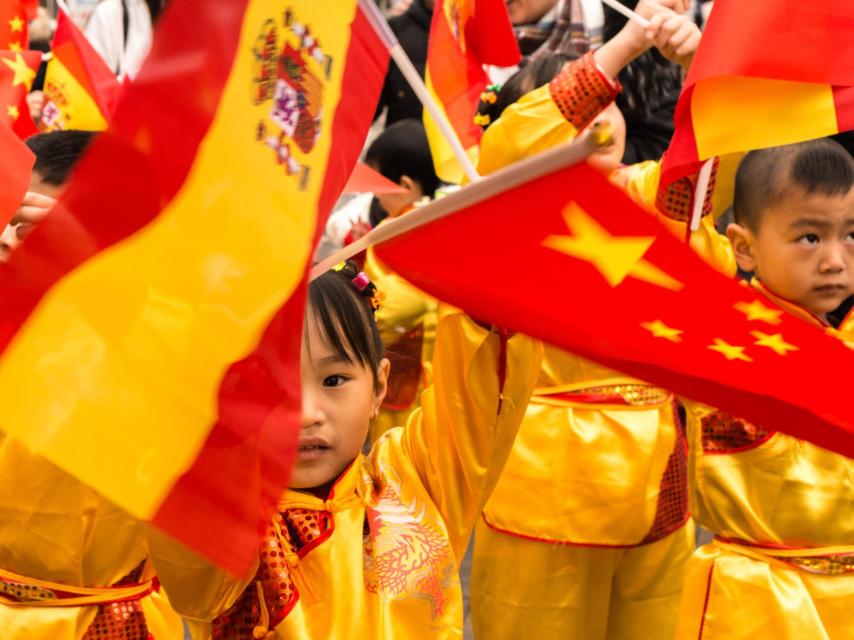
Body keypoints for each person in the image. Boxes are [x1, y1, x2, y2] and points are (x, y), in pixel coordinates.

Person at [146, 261, 542, 638]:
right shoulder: (226, 519)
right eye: (271, 388)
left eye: (334, 380)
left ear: (378, 386)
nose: (306, 414)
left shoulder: (414, 486)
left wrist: (491, 287)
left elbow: (482, 391)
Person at [469, 4, 701, 638]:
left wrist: (698, 70)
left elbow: (724, 168)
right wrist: (625, 45)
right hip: (545, 492)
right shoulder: (511, 210)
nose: (599, 118)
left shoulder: (651, 198)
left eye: (610, 103)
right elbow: (509, 146)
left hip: (660, 484)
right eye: (576, 105)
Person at [0, 130, 183, 639]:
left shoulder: (152, 338)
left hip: (106, 620)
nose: (12, 237)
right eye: (10, 219)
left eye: (39, 226)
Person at [670, 139, 854, 639]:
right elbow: (673, 233)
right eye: (810, 238)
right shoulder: (716, 336)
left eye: (851, 235)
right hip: (759, 599)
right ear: (744, 246)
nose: (836, 260)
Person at [84, 0, 154, 79]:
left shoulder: (141, 8)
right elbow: (93, 70)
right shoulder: (106, 10)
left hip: (131, 84)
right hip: (114, 86)